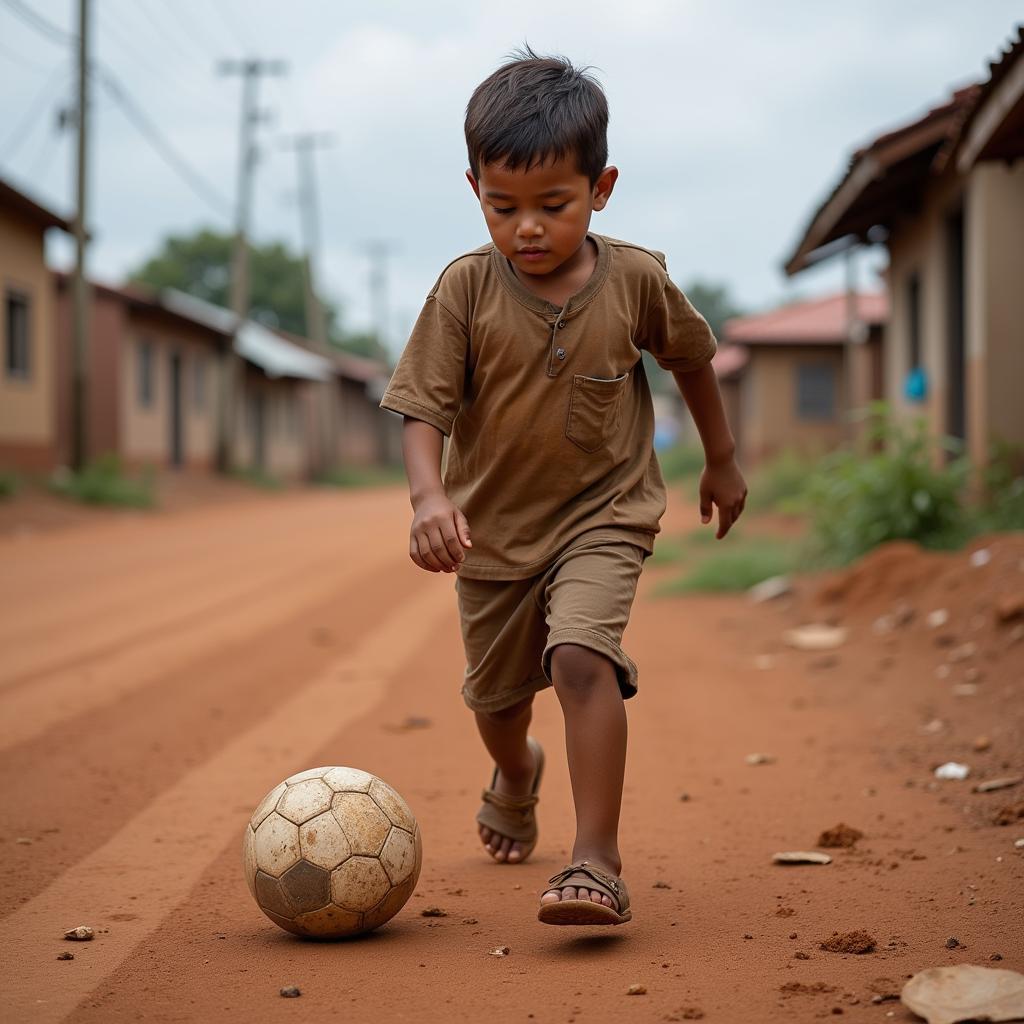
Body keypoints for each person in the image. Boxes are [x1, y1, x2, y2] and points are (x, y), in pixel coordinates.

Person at [379, 47, 747, 926]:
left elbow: (692, 360)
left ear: (602, 186)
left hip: (605, 515)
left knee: (582, 659)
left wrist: (723, 459)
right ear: (474, 189)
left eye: (555, 205)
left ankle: (595, 862)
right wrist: (430, 497)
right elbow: (423, 406)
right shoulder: (464, 290)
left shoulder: (636, 281)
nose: (529, 229)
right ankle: (516, 771)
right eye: (504, 208)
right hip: (494, 539)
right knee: (498, 705)